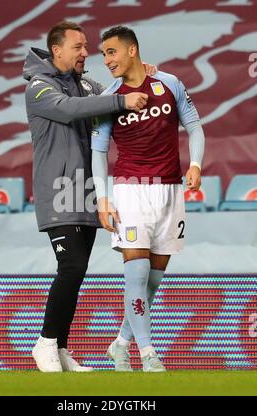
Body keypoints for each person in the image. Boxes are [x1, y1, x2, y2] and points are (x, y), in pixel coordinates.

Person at [23, 21, 151, 372]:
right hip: (59, 192)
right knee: (72, 266)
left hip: (89, 193)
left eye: (86, 46)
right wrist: (122, 98)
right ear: (57, 50)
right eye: (78, 47)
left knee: (77, 272)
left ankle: (61, 348)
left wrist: (142, 75)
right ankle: (46, 343)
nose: (85, 53)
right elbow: (68, 108)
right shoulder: (38, 87)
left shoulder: (88, 85)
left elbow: (110, 92)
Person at [91, 26, 205, 372]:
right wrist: (103, 198)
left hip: (170, 190)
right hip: (129, 189)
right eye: (103, 54)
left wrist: (196, 164)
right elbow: (98, 151)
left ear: (131, 50)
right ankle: (148, 354)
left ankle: (120, 343)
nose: (107, 60)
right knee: (136, 274)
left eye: (111, 52)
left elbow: (194, 127)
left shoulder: (169, 83)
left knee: (152, 281)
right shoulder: (110, 97)